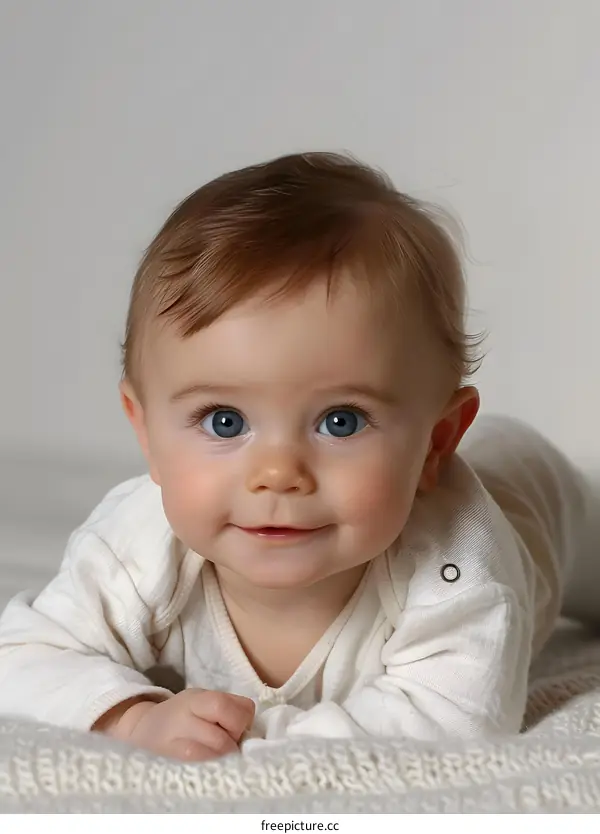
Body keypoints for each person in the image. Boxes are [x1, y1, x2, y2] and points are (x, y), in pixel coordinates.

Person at [0, 153, 592, 762]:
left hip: (538, 501)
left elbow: (455, 720)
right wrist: (129, 719)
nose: (278, 472)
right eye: (223, 421)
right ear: (146, 433)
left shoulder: (459, 568)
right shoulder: (138, 545)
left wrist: (254, 745)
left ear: (436, 442)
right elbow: (22, 657)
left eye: (342, 421)